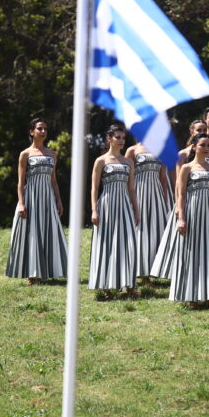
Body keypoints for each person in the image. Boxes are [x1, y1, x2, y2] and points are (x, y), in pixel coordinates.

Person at [5, 118, 67, 284]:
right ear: (31, 132)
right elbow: (20, 181)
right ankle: (32, 274)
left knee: (47, 231)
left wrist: (59, 201)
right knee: (31, 232)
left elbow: (53, 180)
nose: (43, 131)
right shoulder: (25, 154)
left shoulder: (52, 154)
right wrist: (21, 203)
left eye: (45, 129)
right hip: (31, 196)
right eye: (39, 128)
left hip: (47, 198)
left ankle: (45, 271)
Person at [169, 134, 209, 307]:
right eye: (202, 145)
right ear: (194, 147)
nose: (206, 148)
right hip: (192, 213)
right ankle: (192, 295)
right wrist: (181, 218)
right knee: (192, 252)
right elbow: (181, 195)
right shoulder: (186, 168)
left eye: (208, 145)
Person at [89, 123, 140, 299]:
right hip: (107, 206)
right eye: (118, 137)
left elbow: (132, 189)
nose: (121, 141)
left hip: (125, 205)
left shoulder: (128, 161)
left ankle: (130, 285)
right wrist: (94, 210)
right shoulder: (101, 161)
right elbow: (94, 188)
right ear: (109, 139)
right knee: (106, 243)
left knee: (129, 244)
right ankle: (106, 286)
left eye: (123, 138)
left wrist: (136, 209)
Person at [150, 130, 203, 280]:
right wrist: (177, 201)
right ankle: (175, 270)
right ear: (192, 132)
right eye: (199, 130)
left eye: (204, 130)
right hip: (185, 199)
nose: (202, 132)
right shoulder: (182, 155)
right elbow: (178, 181)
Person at [126, 139, 172, 286]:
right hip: (138, 192)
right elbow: (127, 176)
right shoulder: (132, 150)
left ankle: (155, 270)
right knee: (140, 231)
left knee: (155, 231)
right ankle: (140, 273)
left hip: (156, 193)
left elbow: (163, 178)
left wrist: (164, 201)